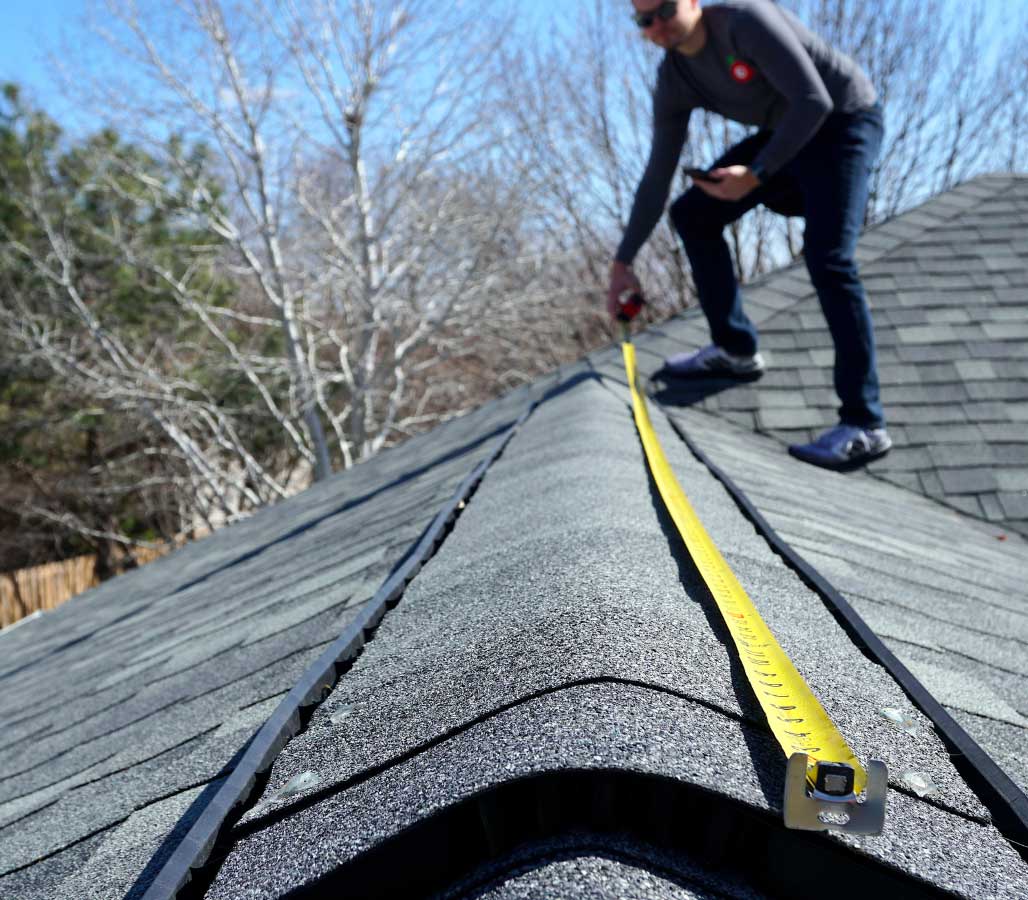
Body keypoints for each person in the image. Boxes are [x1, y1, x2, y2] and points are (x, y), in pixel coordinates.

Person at [608, 0, 891, 470]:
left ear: (692, 2)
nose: (657, 25)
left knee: (829, 258)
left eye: (665, 10)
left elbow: (815, 100)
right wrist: (623, 262)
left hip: (844, 121)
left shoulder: (745, 22)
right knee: (693, 214)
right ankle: (735, 350)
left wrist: (757, 173)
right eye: (644, 20)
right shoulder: (675, 77)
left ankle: (865, 423)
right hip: (788, 134)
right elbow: (657, 175)